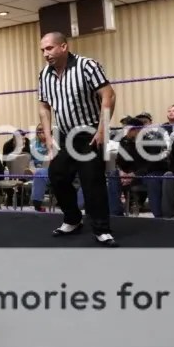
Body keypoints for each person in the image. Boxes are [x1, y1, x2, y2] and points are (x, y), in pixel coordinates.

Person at [37, 31, 117, 246]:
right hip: (66, 135)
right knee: (57, 175)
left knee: (92, 182)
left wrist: (102, 128)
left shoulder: (87, 66)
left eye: (49, 48)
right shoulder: (44, 75)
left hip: (89, 133)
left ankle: (102, 229)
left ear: (63, 47)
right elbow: (44, 107)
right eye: (43, 50)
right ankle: (73, 219)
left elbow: (108, 94)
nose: (45, 54)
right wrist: (49, 138)